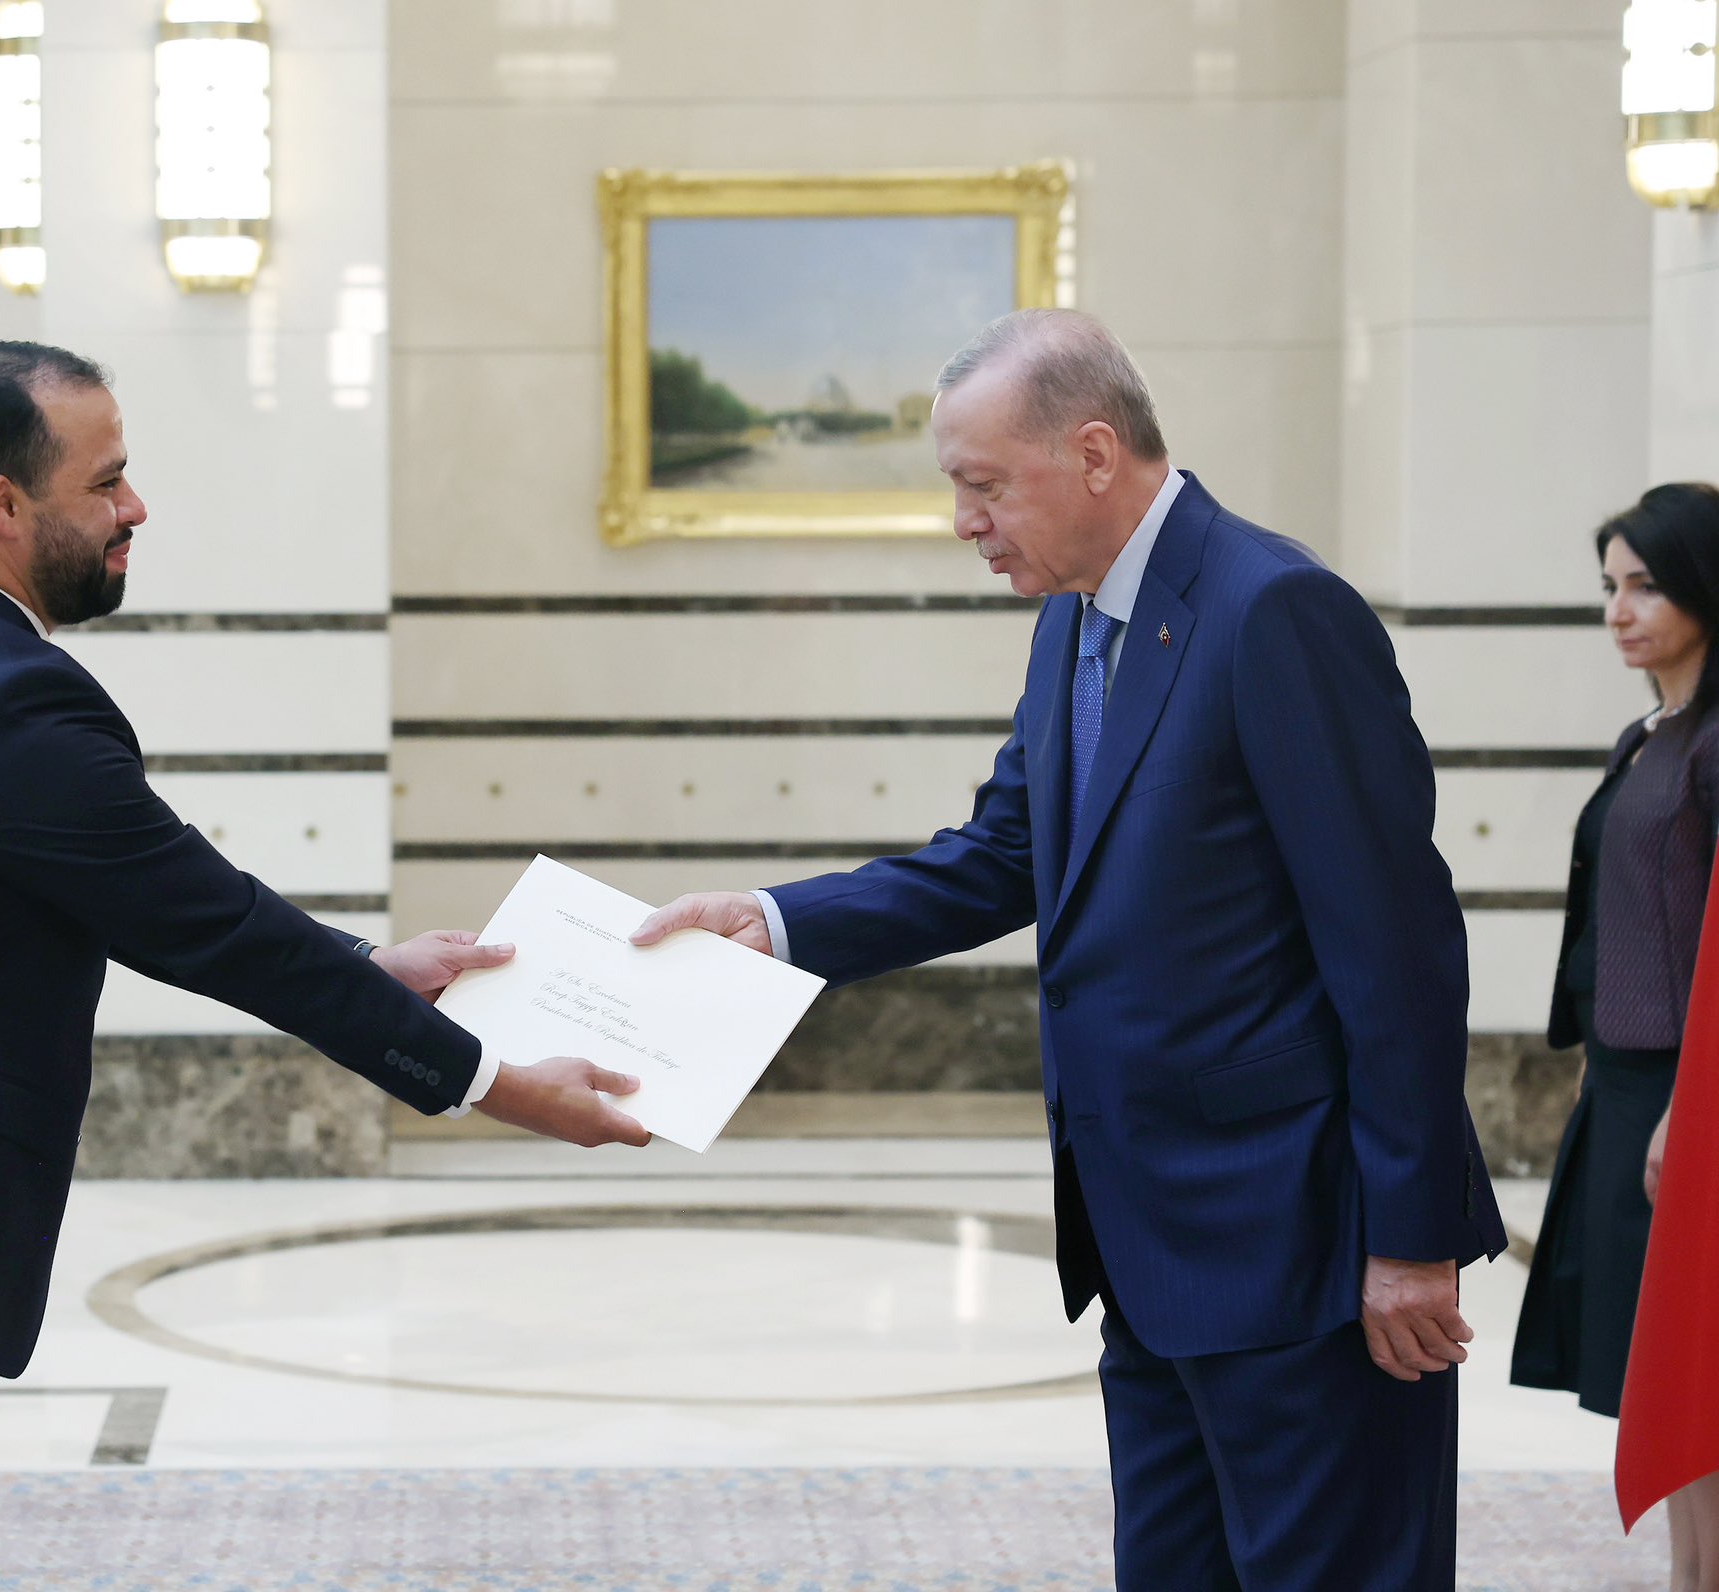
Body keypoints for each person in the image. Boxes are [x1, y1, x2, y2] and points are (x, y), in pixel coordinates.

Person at [0, 339, 648, 1592]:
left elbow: (174, 900)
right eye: (105, 481)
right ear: (3, 504)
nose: (135, 507)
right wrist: (497, 1083)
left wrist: (369, 961)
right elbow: (211, 926)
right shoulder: (2, 700)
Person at [633, 308, 1506, 1590]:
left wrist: (1410, 1238)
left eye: (982, 484)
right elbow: (1003, 853)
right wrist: (770, 921)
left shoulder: (1274, 610)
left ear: (1093, 453)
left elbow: (1394, 943)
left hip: (1298, 1244)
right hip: (1141, 1248)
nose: (963, 522)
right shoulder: (1072, 620)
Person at [1513, 482, 1719, 1588]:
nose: (1618, 610)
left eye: (1645, 585)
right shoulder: (1649, 735)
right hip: (1627, 1080)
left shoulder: (1712, 746)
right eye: (1608, 586)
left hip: (1690, 1087)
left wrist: (1691, 1105)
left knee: (1696, 1370)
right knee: (1663, 1377)